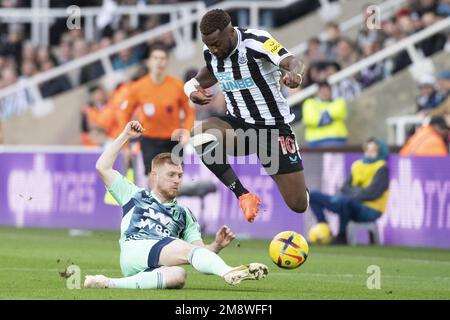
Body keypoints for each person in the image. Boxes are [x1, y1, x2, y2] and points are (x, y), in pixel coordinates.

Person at [84, 121, 268, 289]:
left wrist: (216, 246)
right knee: (183, 249)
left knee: (177, 276)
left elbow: (198, 252)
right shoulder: (133, 195)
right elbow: (103, 167)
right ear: (154, 176)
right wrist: (125, 136)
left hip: (153, 262)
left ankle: (108, 283)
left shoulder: (184, 214)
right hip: (135, 247)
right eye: (171, 175)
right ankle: (228, 272)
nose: (177, 180)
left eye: (179, 175)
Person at [183, 9, 309, 223]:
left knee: (298, 204)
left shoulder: (257, 41)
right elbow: (210, 71)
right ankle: (243, 195)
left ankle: (287, 171)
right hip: (238, 126)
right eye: (209, 45)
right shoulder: (212, 51)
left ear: (230, 32)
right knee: (199, 133)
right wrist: (191, 87)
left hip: (274, 128)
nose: (213, 49)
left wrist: (295, 74)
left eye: (216, 44)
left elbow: (291, 60)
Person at [122, 43, 195, 175]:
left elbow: (189, 111)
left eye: (162, 58)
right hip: (150, 140)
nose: (159, 62)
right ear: (149, 62)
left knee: (173, 182)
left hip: (173, 141)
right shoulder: (138, 88)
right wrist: (125, 145)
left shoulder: (177, 85)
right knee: (154, 180)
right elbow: (124, 115)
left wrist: (186, 132)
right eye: (155, 58)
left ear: (167, 62)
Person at [309, 138, 390, 244]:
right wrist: (357, 192)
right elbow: (345, 188)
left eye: (373, 150)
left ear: (380, 152)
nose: (369, 153)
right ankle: (324, 228)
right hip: (348, 202)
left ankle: (342, 237)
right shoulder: (357, 165)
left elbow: (372, 193)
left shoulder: (382, 168)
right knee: (313, 196)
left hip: (370, 209)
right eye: (367, 149)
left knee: (346, 201)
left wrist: (351, 195)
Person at [302, 81, 348, 147]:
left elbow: (339, 111)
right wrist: (329, 115)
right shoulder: (309, 103)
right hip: (315, 143)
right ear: (317, 92)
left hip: (337, 140)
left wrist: (320, 116)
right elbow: (309, 118)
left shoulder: (339, 101)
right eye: (322, 90)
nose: (324, 92)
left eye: (327, 90)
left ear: (331, 91)